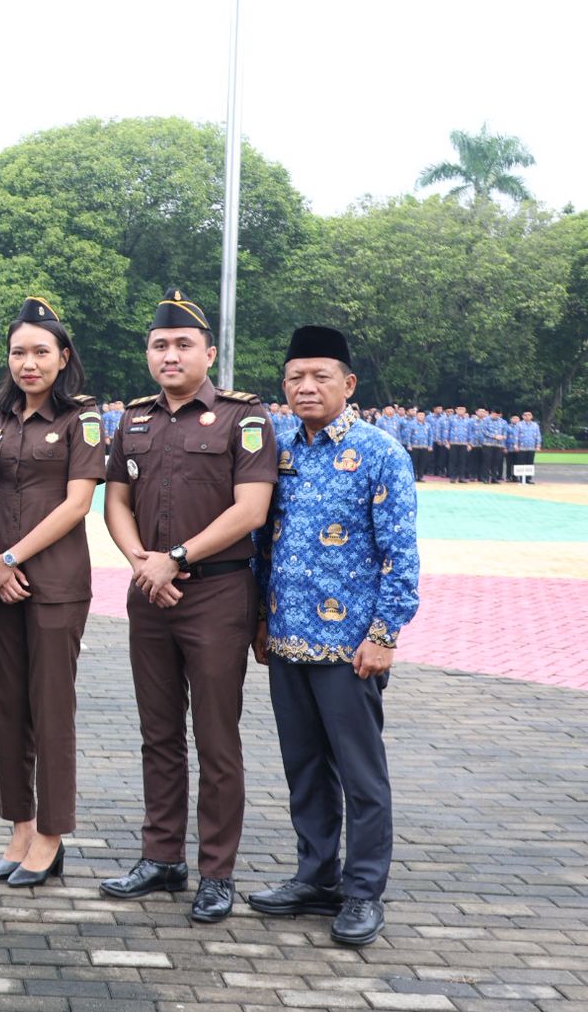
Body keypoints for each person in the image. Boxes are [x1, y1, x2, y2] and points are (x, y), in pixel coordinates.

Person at [100, 288, 276, 923]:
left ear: (209, 352)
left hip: (217, 592)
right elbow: (114, 501)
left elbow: (251, 510)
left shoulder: (244, 418)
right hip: (150, 591)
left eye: (182, 344)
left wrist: (174, 555)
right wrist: (143, 562)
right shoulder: (135, 419)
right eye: (159, 344)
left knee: (216, 737)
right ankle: (162, 855)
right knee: (158, 732)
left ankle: (217, 871)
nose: (170, 354)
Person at [250, 325, 420, 946]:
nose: (306, 387)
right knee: (304, 768)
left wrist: (385, 633)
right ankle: (315, 877)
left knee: (360, 773)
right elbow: (263, 542)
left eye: (320, 376)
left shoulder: (380, 452)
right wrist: (261, 619)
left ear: (348, 385)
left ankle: (362, 890)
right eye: (295, 377)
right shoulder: (278, 450)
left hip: (352, 646)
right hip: (288, 638)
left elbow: (399, 554)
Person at [0, 297, 105, 887]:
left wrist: (11, 558)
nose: (28, 363)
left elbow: (78, 502)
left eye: (41, 352)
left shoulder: (83, 418)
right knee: (9, 709)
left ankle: (52, 833)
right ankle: (20, 825)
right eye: (19, 352)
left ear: (62, 357)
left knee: (51, 711)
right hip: (0, 585)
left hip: (54, 586)